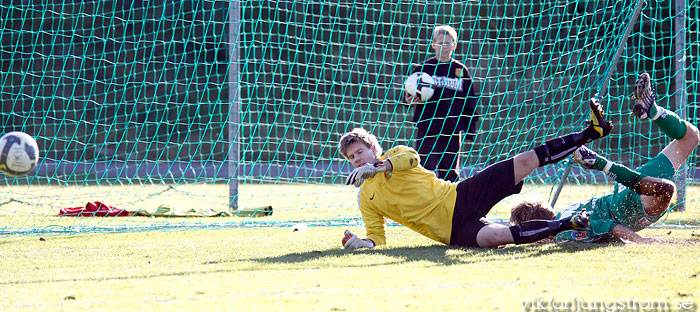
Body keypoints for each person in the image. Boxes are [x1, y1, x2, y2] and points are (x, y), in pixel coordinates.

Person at [338, 98, 613, 249]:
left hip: (460, 195)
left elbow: (412, 159)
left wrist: (374, 167)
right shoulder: (366, 197)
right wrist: (363, 243)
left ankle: (591, 132)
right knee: (497, 237)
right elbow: (378, 235)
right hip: (453, 231)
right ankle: (569, 224)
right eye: (351, 157)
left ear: (373, 149)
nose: (356, 159)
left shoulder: (395, 155)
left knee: (526, 160)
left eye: (360, 152)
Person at [510, 73, 700, 244]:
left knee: (667, 189)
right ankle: (654, 112)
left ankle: (601, 163)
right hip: (625, 186)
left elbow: (608, 225)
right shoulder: (566, 212)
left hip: (628, 208)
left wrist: (640, 240)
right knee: (691, 136)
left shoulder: (565, 231)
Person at [404, 25, 479, 182]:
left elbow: (469, 100)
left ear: (454, 45)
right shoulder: (424, 68)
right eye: (440, 43)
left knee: (450, 171)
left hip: (452, 128)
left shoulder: (460, 70)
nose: (444, 47)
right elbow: (408, 96)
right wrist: (408, 100)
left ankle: (449, 202)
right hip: (427, 126)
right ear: (433, 44)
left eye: (448, 43)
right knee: (424, 168)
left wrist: (470, 129)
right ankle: (423, 201)